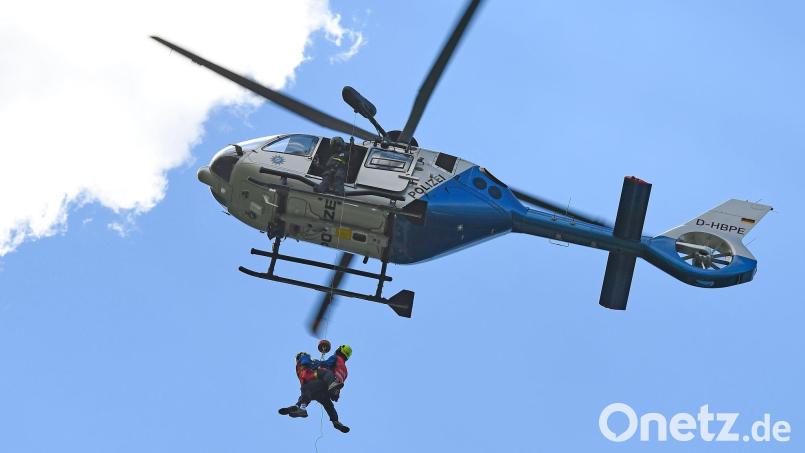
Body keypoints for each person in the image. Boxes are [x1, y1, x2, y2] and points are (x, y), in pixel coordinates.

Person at [278, 348, 352, 433]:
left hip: (315, 385)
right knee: (328, 405)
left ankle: (300, 407)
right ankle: (336, 421)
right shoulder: (345, 370)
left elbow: (323, 364)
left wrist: (318, 363)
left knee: (306, 393)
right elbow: (314, 363)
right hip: (328, 388)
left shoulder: (298, 368)